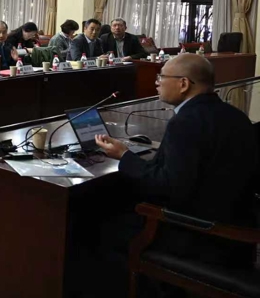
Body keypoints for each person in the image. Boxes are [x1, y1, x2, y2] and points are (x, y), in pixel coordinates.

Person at [96, 54, 258, 267]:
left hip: (199, 233)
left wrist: (124, 155)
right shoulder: (237, 116)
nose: (157, 83)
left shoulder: (186, 122)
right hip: (237, 227)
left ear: (183, 84)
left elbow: (168, 187)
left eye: (161, 77)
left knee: (99, 222)